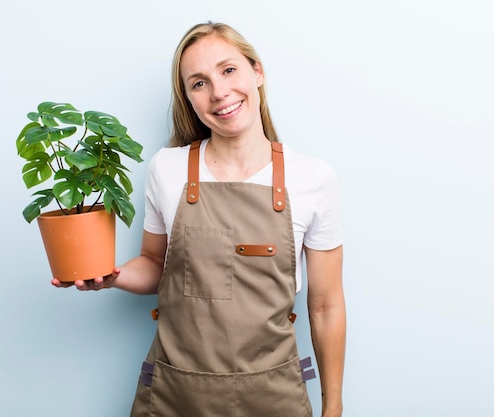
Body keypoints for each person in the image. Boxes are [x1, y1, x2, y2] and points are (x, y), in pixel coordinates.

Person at [52, 21, 346, 417]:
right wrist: (113, 275)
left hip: (273, 397)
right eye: (199, 83)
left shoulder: (311, 178)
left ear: (256, 72)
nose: (219, 92)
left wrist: (334, 408)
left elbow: (326, 305)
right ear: (189, 98)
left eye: (228, 70)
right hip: (175, 395)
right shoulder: (167, 168)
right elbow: (156, 264)